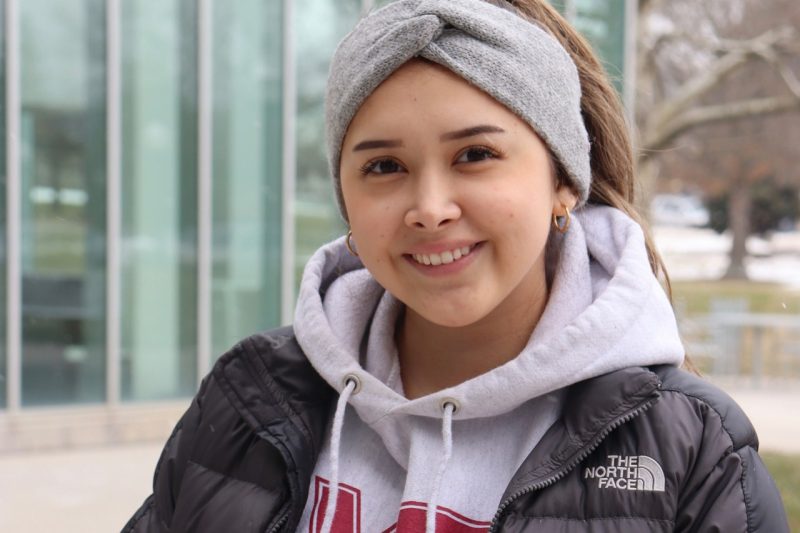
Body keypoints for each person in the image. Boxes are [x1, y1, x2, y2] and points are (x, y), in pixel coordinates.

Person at [124, 1, 789, 532]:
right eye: (384, 166)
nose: (430, 207)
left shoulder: (691, 448)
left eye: (475, 155)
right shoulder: (249, 398)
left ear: (564, 183)